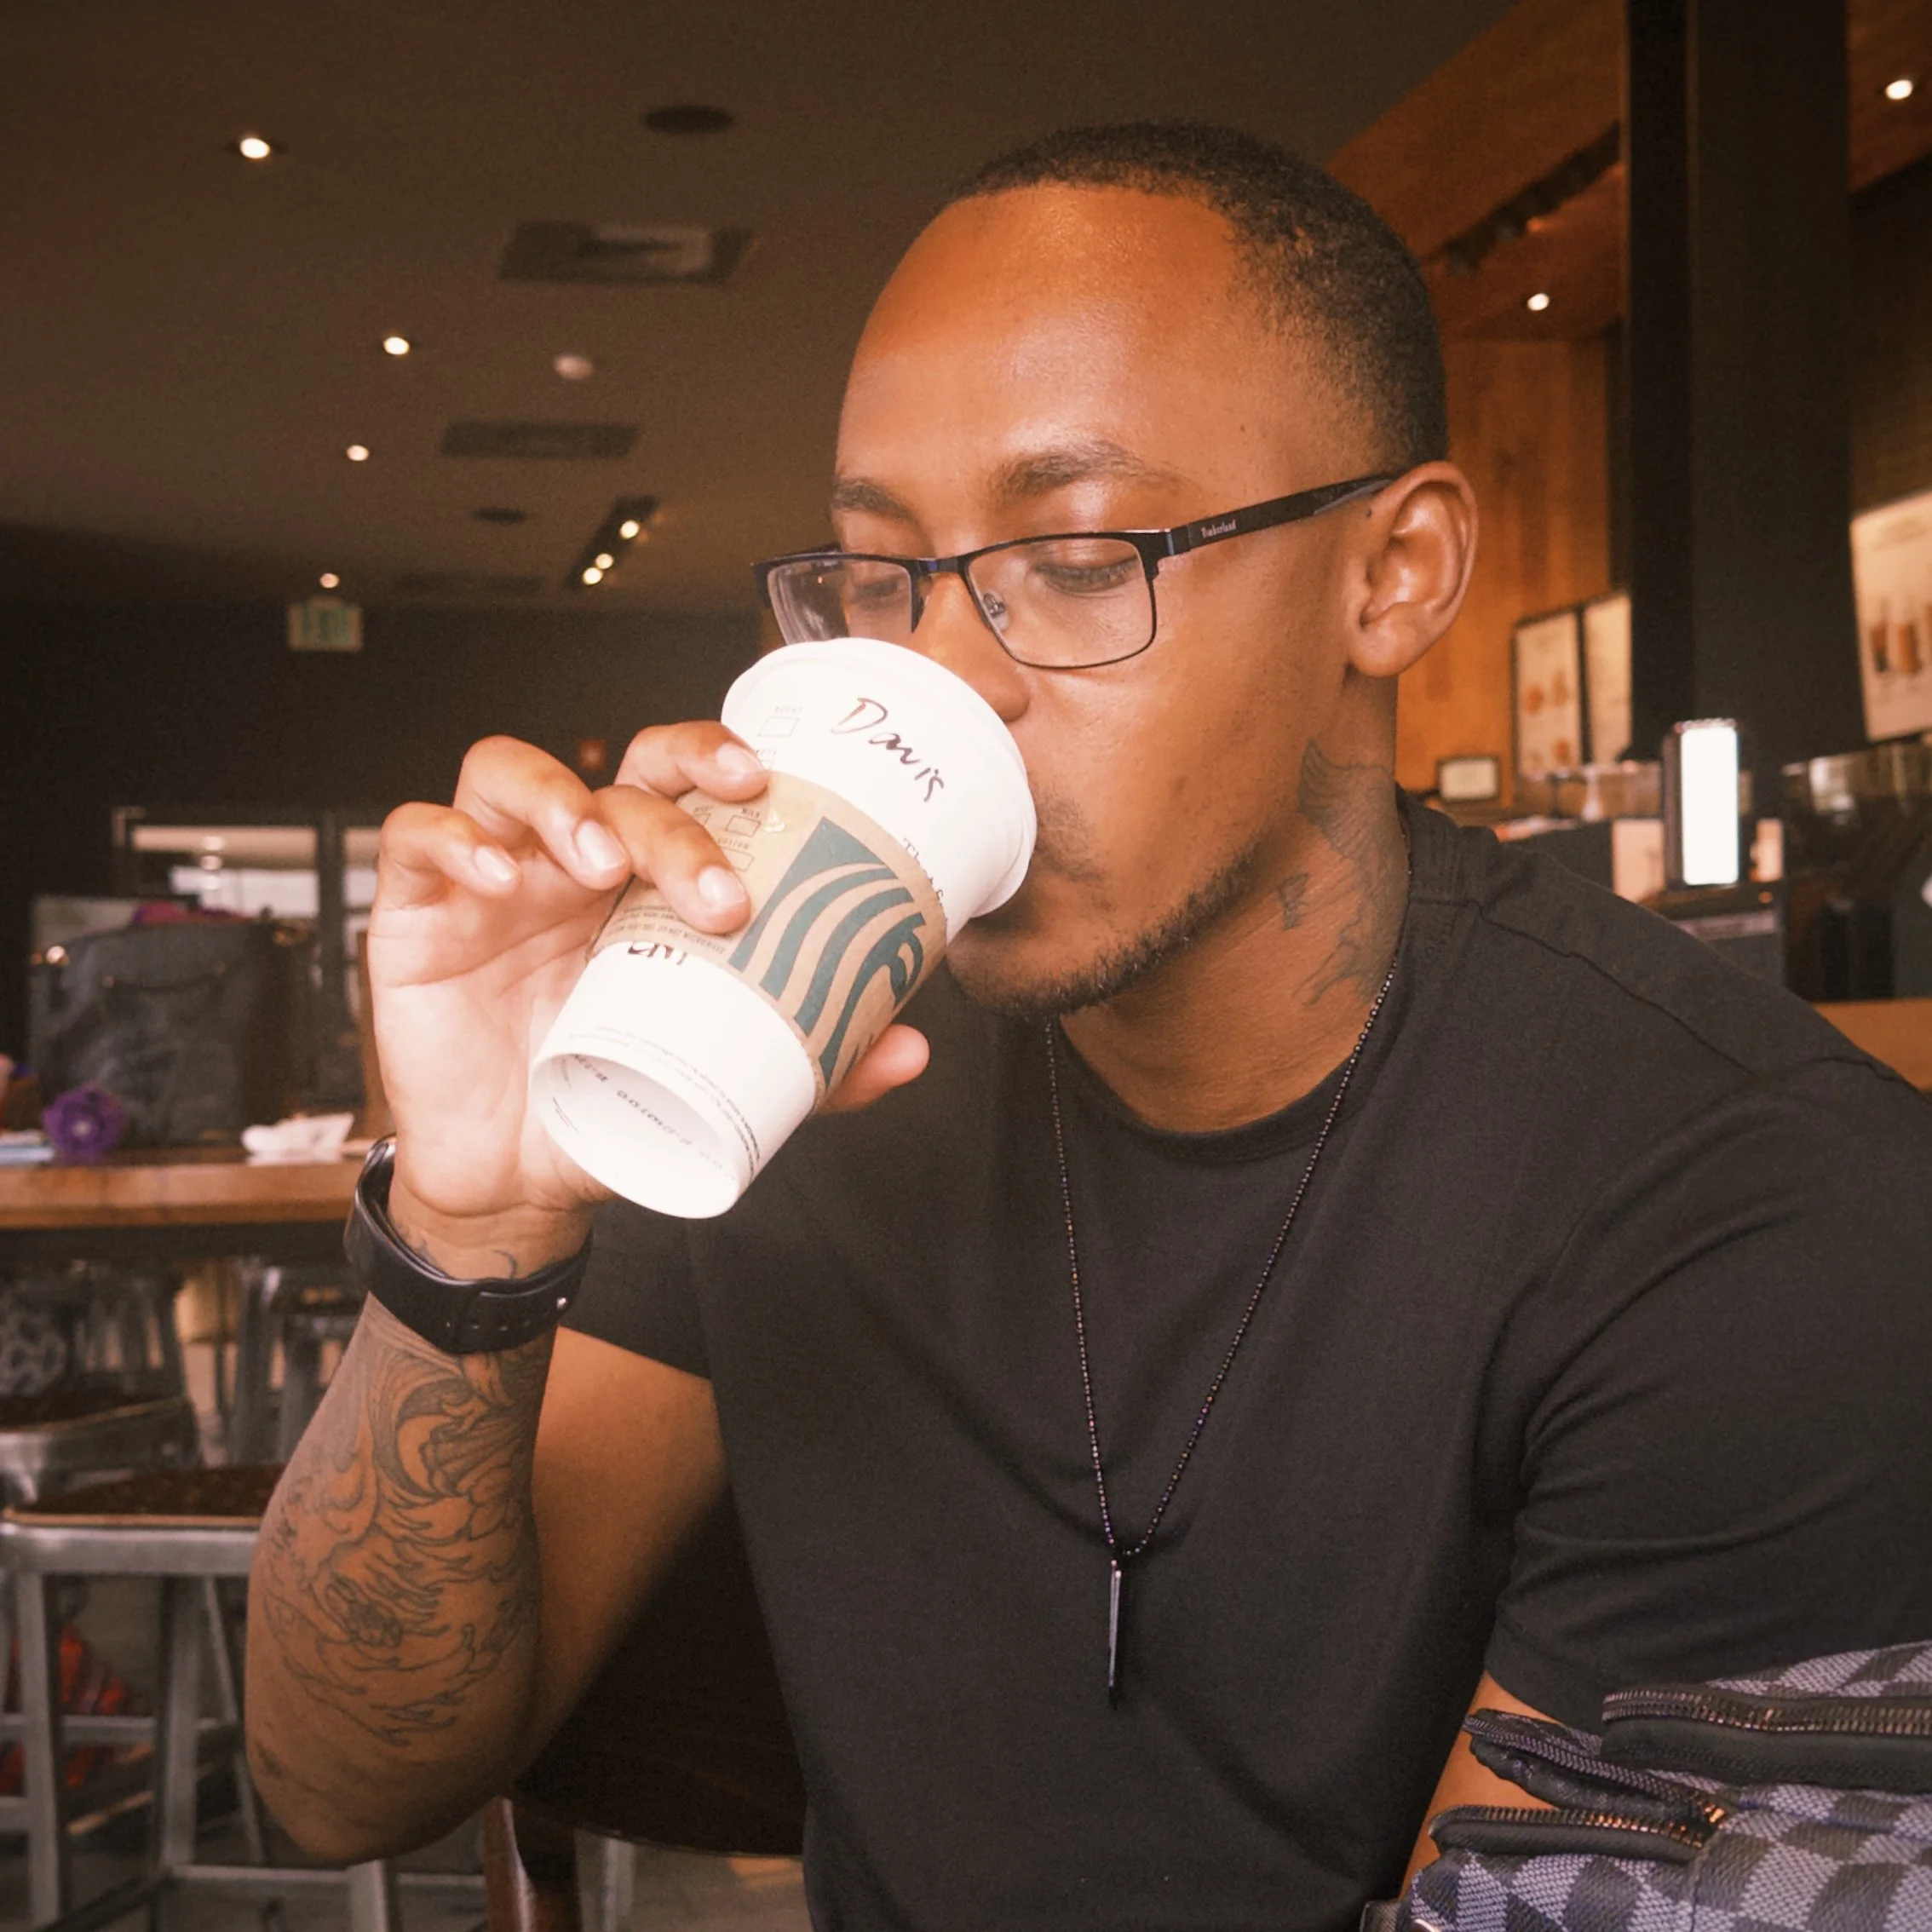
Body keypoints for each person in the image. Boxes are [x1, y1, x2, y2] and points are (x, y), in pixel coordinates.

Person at [244, 123, 1932, 1929]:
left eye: (1073, 557)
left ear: (1395, 573)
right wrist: (478, 1224)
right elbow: (345, 1780)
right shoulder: (806, 1064)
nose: (943, 678)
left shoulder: (1750, 1202)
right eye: (881, 576)